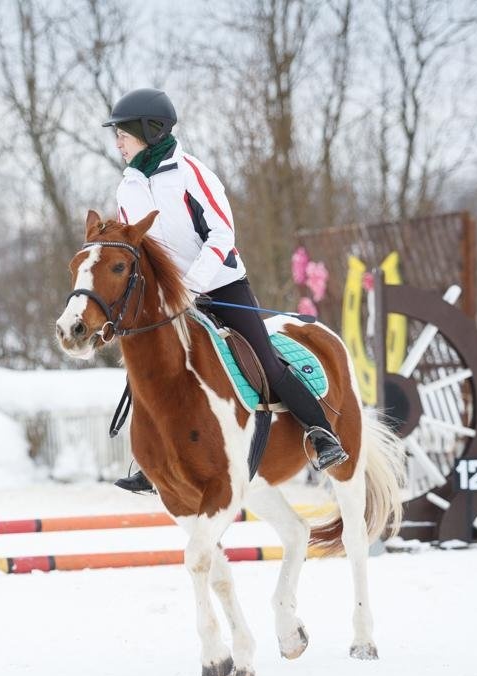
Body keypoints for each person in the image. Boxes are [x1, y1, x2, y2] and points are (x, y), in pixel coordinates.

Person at [104, 88, 347, 494]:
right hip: (169, 299)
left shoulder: (192, 174)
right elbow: (136, 247)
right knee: (147, 371)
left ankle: (322, 435)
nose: (118, 142)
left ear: (150, 130)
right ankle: (151, 460)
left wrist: (192, 286)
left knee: (267, 364)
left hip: (220, 284)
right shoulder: (126, 188)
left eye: (123, 134)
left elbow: (221, 234)